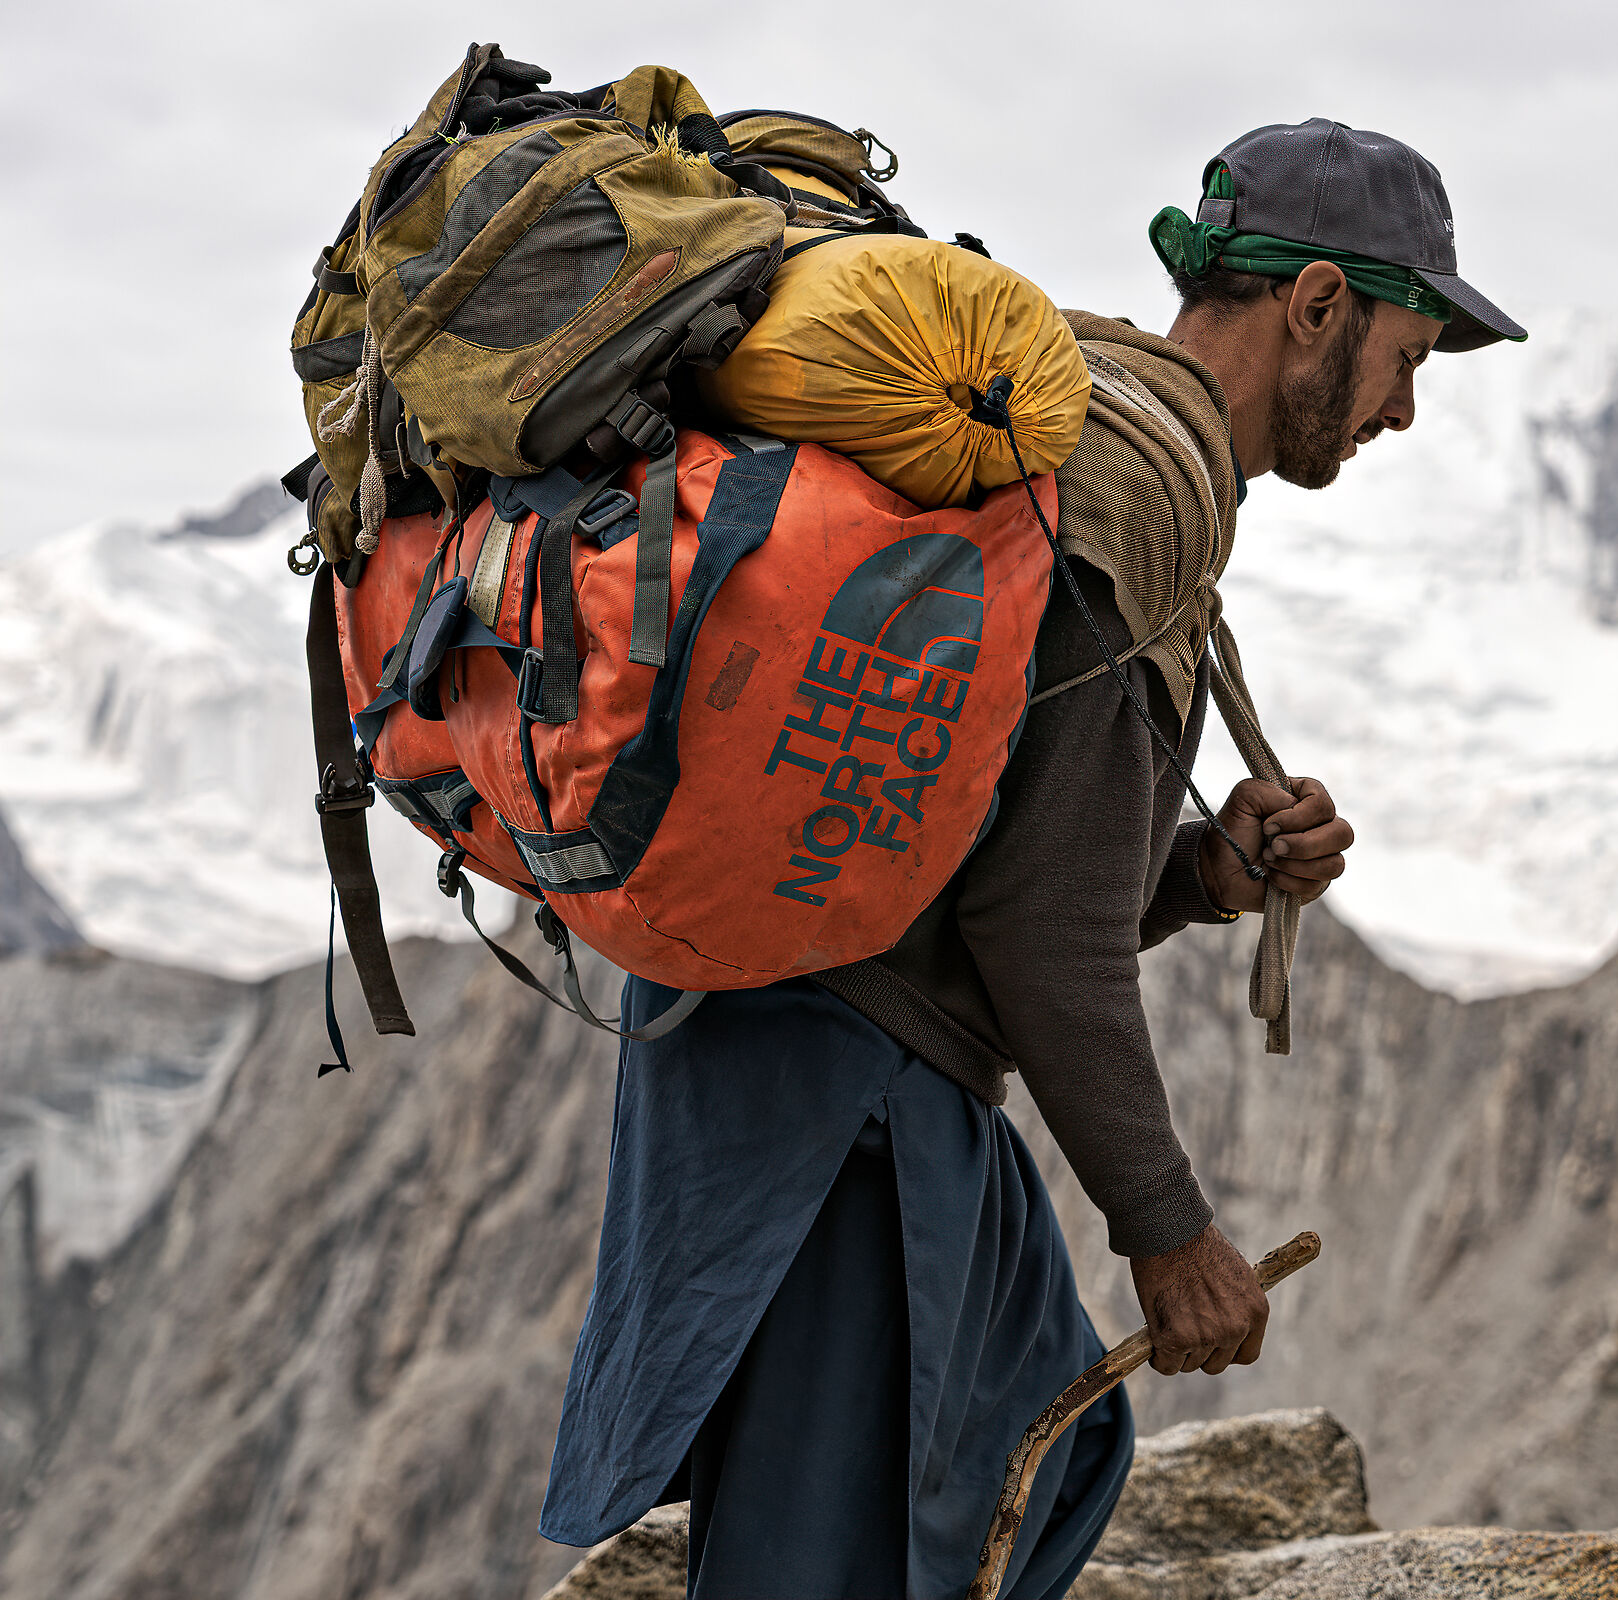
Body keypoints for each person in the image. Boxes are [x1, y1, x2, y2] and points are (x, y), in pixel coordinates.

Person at [538, 118, 1525, 1599]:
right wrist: (1170, 1231)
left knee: (1046, 1452)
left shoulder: (1084, 425)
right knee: (839, 1558)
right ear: (1318, 304)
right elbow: (1041, 933)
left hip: (785, 1053)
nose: (1400, 410)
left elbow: (985, 846)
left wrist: (1206, 875)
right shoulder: (1138, 493)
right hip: (845, 1099)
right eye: (1409, 356)